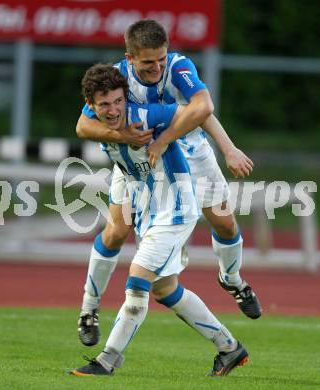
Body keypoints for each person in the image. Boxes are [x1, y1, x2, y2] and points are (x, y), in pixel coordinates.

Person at [76, 19, 262, 348]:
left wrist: (226, 148)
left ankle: (231, 279)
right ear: (130, 58)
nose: (157, 67)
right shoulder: (117, 79)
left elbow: (203, 108)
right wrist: (120, 135)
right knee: (116, 230)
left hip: (190, 153)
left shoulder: (178, 67)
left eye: (161, 58)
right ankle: (89, 310)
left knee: (226, 224)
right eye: (149, 61)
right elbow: (83, 125)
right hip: (138, 162)